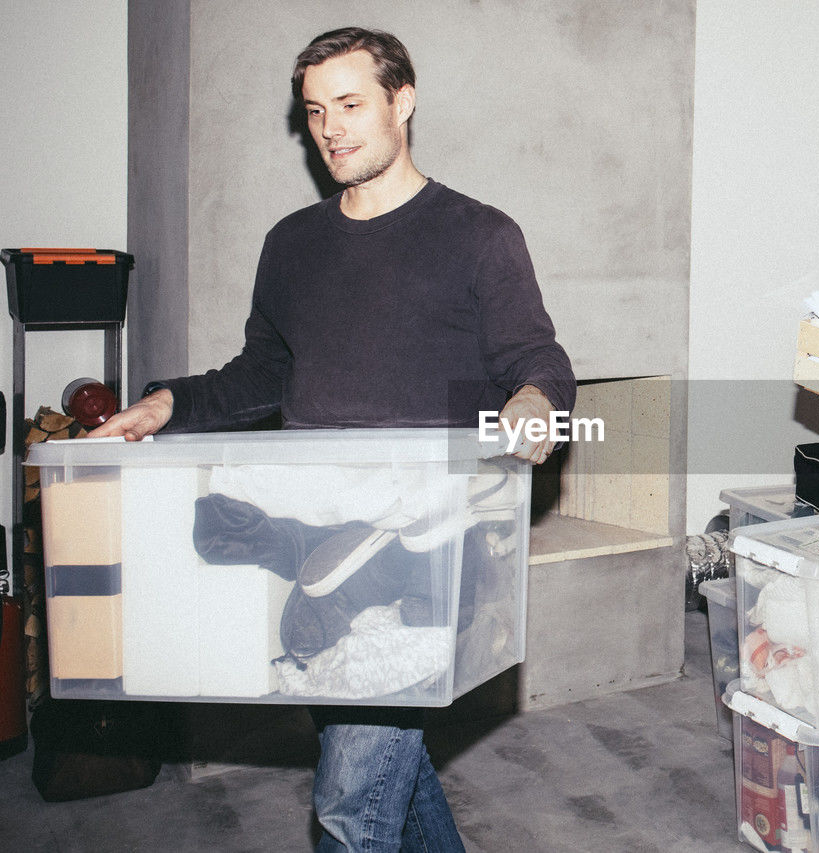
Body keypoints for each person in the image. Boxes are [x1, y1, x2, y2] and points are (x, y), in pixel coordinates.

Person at [91, 26, 575, 852]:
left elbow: (539, 360)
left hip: (421, 549)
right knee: (389, 769)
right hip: (314, 551)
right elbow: (259, 374)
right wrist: (167, 403)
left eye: (351, 105)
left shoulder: (480, 235)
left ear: (403, 101)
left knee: (352, 803)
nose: (331, 129)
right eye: (316, 111)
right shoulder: (292, 244)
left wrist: (535, 401)